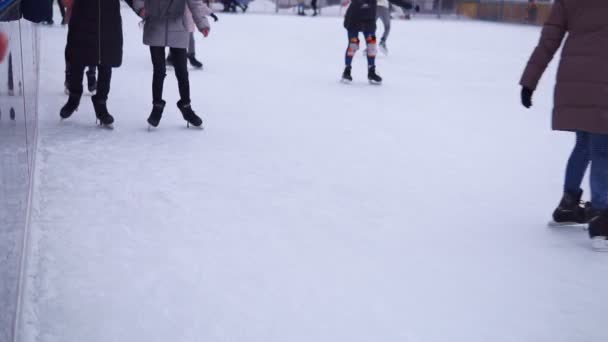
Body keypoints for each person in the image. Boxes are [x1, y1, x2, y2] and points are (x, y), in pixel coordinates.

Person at [520, 0, 608, 251]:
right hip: (603, 83)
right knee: (602, 147)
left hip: (576, 82)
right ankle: (602, 220)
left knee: (584, 144)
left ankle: (568, 206)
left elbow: (549, 38)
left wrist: (529, 80)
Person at [133, 0, 212, 129]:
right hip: (155, 24)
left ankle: (186, 107)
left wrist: (202, 24)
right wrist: (141, 8)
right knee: (159, 71)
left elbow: (195, 3)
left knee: (182, 72)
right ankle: (157, 106)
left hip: (178, 26)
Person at [59, 0, 137, 127]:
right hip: (82, 18)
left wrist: (141, 8)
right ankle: (74, 97)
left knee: (106, 62)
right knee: (76, 60)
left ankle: (101, 104)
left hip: (108, 20)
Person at [341, 0, 382, 84]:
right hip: (354, 18)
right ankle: (347, 70)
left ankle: (371, 71)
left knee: (371, 46)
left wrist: (405, 4)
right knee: (353, 45)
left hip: (369, 20)